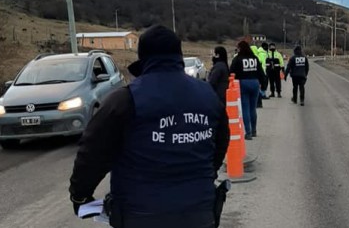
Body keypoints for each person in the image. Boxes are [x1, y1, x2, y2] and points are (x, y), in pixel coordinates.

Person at [69, 25, 230, 228]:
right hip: (200, 212)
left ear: (143, 57)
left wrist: (80, 195)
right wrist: (205, 174)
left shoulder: (125, 99)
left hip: (141, 214)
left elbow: (93, 152)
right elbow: (222, 140)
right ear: (178, 55)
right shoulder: (208, 96)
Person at [230, 40, 265, 139]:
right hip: (255, 83)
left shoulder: (237, 59)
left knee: (245, 108)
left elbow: (232, 72)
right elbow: (260, 72)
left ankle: (248, 132)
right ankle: (254, 130)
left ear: (240, 48)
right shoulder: (254, 58)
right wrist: (263, 84)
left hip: (243, 83)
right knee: (253, 108)